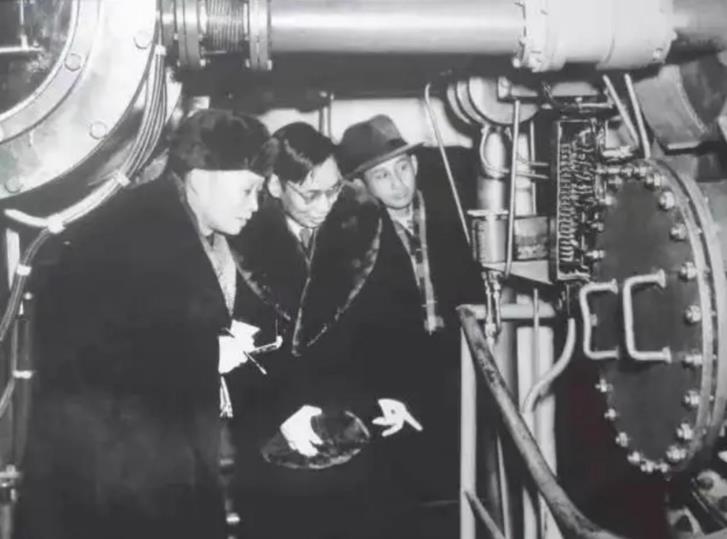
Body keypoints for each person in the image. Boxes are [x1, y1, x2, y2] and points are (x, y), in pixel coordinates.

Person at [15, 109, 276, 539]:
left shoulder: (196, 231)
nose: (255, 205)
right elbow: (97, 356)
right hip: (113, 476)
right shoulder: (129, 234)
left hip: (155, 465)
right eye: (248, 190)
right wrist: (210, 351)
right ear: (200, 176)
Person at [225, 122, 423, 539]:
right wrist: (277, 413)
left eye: (333, 190)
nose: (325, 206)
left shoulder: (366, 219)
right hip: (276, 430)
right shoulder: (239, 231)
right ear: (275, 186)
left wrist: (396, 391)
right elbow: (226, 346)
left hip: (360, 416)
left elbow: (401, 317)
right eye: (310, 194)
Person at [337, 114, 485, 533]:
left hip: (459, 374)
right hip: (397, 384)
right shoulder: (356, 239)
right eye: (382, 176)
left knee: (465, 488)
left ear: (416, 164)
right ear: (362, 185)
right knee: (403, 501)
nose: (398, 183)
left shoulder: (458, 218)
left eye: (402, 167)